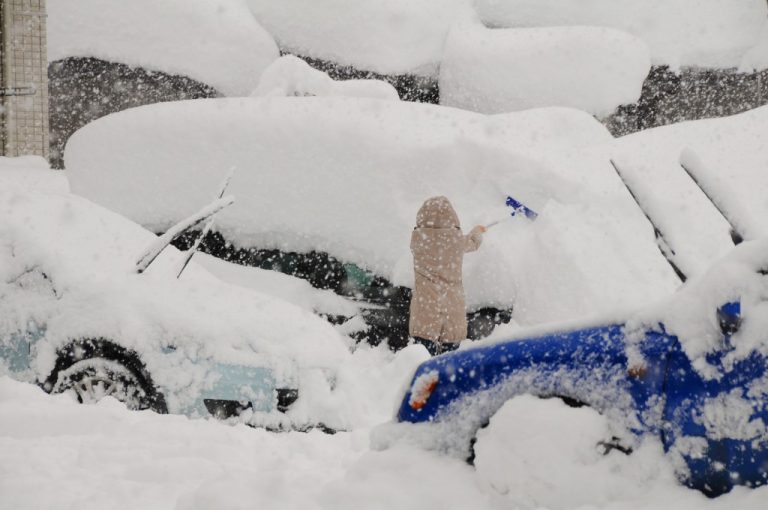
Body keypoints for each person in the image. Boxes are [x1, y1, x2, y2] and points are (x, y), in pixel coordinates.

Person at [408, 196, 485, 356]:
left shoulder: (417, 241)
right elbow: (473, 242)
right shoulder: (456, 241)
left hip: (425, 308)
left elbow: (435, 241)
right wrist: (477, 231)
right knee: (449, 361)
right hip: (452, 308)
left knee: (423, 358)